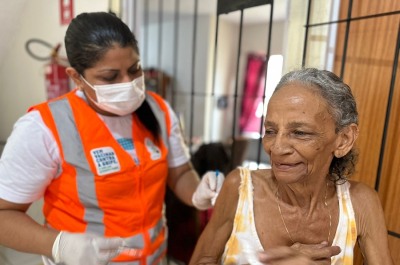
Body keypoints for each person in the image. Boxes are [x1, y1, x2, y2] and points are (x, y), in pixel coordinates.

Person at [0, 12, 224, 265]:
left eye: (134, 69)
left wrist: (198, 191)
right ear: (76, 78)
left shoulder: (159, 111)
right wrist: (57, 244)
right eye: (110, 77)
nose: (128, 83)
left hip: (154, 259)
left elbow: (180, 173)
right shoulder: (44, 128)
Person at [189, 68, 394, 265]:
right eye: (270, 131)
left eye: (300, 133)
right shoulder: (241, 188)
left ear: (343, 140)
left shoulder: (360, 202)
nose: (277, 148)